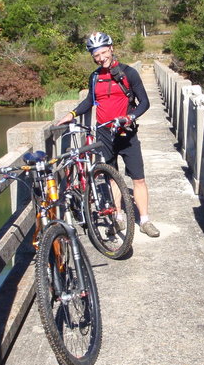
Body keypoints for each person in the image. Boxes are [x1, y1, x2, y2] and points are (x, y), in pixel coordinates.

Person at [56, 32, 160, 238]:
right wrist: (72, 113)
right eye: (96, 55)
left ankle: (145, 220)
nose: (101, 58)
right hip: (104, 133)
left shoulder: (129, 73)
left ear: (111, 48)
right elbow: (89, 101)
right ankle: (119, 216)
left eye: (104, 52)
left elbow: (145, 103)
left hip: (126, 132)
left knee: (138, 179)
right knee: (112, 177)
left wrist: (130, 117)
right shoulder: (94, 77)